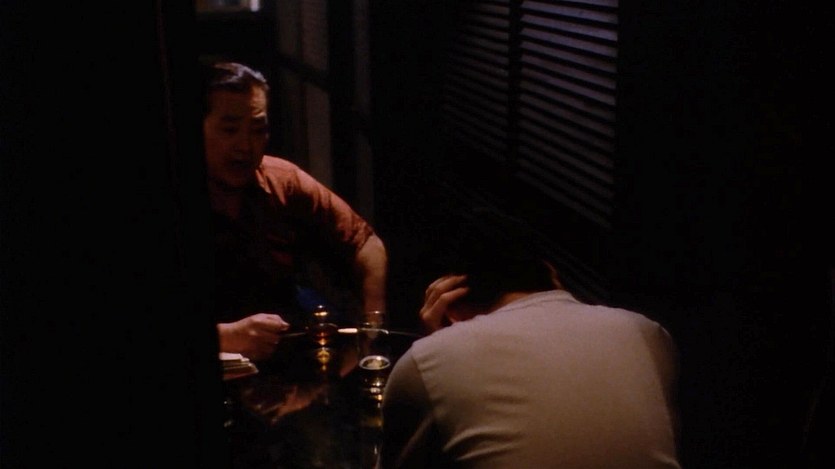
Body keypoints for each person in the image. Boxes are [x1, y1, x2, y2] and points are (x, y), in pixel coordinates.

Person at [379, 207, 681, 468]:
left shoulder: (427, 361)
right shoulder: (649, 334)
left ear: (447, 298)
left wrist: (436, 344)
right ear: (551, 273)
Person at [202, 61, 387, 361]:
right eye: (230, 129)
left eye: (258, 130)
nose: (245, 146)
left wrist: (372, 330)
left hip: (285, 351)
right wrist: (225, 336)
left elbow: (367, 244)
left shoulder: (281, 180)